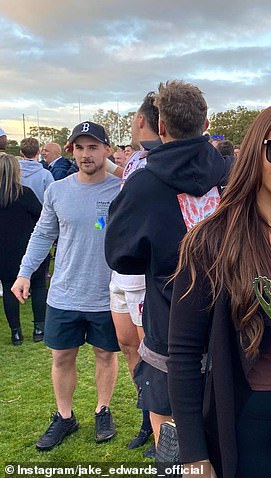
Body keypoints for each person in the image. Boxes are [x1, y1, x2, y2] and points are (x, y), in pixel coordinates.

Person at [168, 102, 271, 478]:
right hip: (249, 422)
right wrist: (193, 454)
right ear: (256, 149)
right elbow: (184, 353)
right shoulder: (211, 241)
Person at [105, 80, 231, 448]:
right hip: (228, 322)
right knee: (223, 434)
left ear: (160, 127)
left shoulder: (142, 185)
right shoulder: (232, 175)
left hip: (170, 326)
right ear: (206, 123)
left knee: (172, 442)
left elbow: (119, 256)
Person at [11, 121, 121, 451]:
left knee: (105, 354)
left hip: (106, 293)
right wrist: (24, 272)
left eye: (93, 146)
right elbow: (43, 234)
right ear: (71, 150)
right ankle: (64, 416)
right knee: (62, 357)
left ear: (106, 150)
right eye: (80, 147)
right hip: (64, 292)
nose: (86, 154)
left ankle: (103, 409)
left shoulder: (121, 190)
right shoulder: (57, 190)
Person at [108, 91, 161, 454]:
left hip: (144, 274)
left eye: (131, 120)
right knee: (128, 345)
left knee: (151, 353)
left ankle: (161, 423)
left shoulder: (161, 161)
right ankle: (146, 417)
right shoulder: (133, 161)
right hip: (121, 274)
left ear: (142, 120)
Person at [0, 153, 45, 344]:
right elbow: (42, 217)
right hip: (28, 249)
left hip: (4, 252)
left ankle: (16, 332)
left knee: (10, 288)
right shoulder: (24, 194)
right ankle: (39, 328)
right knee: (38, 285)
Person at [18, 137, 54, 204]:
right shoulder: (46, 174)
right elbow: (52, 197)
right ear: (39, 151)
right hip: (39, 212)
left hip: (17, 211)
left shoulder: (13, 173)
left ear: (21, 152)